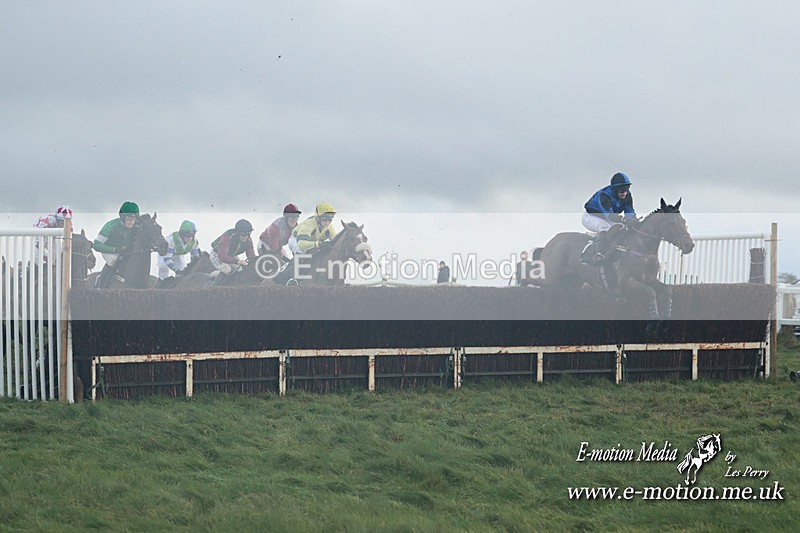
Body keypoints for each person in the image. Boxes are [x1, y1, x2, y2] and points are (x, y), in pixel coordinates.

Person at [580, 172, 637, 265]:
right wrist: (623, 219)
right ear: (615, 189)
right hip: (591, 216)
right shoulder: (605, 195)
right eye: (620, 189)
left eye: (626, 188)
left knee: (622, 228)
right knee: (605, 228)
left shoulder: (628, 195)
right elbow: (609, 215)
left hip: (607, 218)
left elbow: (629, 211)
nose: (624, 192)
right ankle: (597, 253)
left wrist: (633, 221)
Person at [92, 201, 141, 287]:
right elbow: (96, 245)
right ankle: (101, 282)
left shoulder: (137, 226)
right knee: (113, 260)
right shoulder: (110, 226)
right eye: (128, 219)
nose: (131, 222)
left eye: (133, 219)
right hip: (110, 251)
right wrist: (114, 249)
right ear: (122, 217)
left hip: (125, 252)